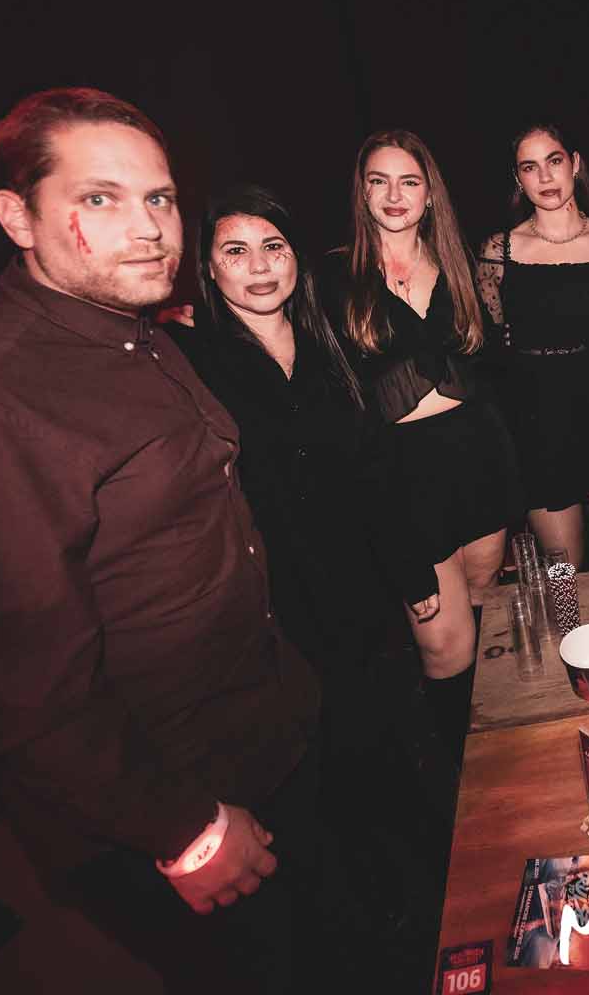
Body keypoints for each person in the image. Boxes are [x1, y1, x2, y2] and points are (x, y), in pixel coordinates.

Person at [0, 88, 334, 991]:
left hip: (263, 735)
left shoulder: (135, 333)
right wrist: (186, 832)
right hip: (177, 812)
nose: (149, 227)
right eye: (99, 199)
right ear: (18, 218)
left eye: (159, 198)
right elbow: (27, 695)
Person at [165, 185, 457, 837]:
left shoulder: (329, 345)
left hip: (363, 588)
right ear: (207, 267)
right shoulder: (190, 359)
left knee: (396, 751)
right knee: (327, 777)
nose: (260, 266)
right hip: (279, 607)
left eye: (274, 247)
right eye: (235, 251)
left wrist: (413, 573)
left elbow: (377, 469)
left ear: (296, 256)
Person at [317, 129, 524, 753]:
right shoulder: (333, 277)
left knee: (485, 609)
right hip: (402, 476)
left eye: (408, 181)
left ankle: (498, 758)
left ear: (430, 193)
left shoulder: (457, 267)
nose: (394, 194)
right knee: (443, 645)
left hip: (478, 459)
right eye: (378, 181)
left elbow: (492, 369)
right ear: (361, 193)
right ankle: (458, 772)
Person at [477, 125, 589, 567]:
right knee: (562, 565)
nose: (545, 177)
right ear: (518, 178)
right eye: (529, 167)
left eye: (554, 161)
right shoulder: (499, 250)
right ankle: (567, 617)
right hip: (535, 421)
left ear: (574, 163)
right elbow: (492, 348)